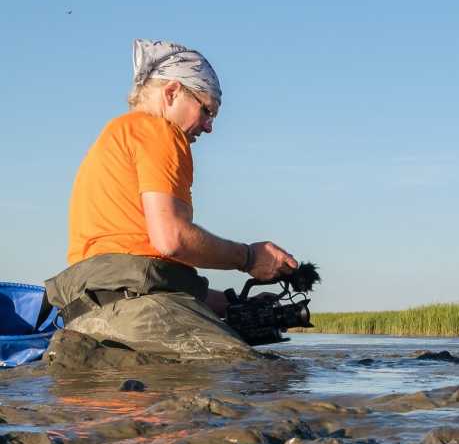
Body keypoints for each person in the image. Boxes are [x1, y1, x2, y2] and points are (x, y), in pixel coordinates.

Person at [45, 39, 299, 360]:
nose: (209, 127)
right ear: (171, 92)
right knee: (264, 376)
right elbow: (172, 240)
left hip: (85, 320)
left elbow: (142, 277)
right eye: (206, 110)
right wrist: (249, 258)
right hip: (139, 317)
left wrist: (236, 305)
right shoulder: (159, 131)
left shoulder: (115, 136)